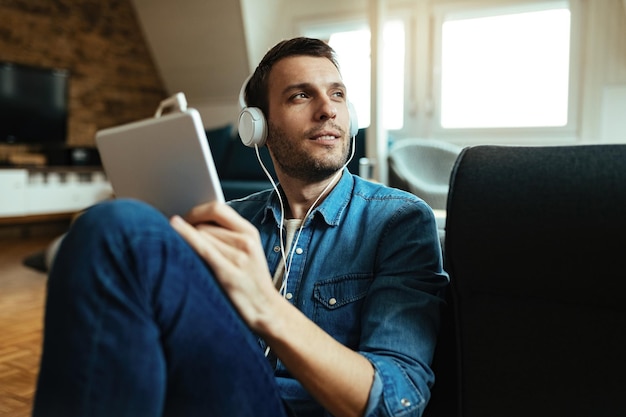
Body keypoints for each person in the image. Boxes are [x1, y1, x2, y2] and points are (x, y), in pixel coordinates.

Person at [33, 37, 449, 417]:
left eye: (337, 94)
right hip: (222, 396)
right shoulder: (231, 219)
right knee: (111, 223)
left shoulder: (399, 220)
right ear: (259, 128)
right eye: (301, 95)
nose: (328, 109)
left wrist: (264, 305)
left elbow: (399, 401)